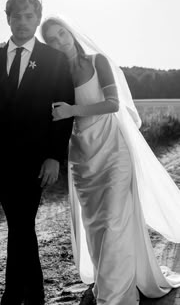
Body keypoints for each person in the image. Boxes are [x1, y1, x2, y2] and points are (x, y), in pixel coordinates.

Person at [41, 16, 180, 305]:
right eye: (51, 40)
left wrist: (72, 110)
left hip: (114, 150)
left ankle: (114, 297)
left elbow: (113, 104)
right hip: (82, 156)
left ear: (70, 32)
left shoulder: (97, 61)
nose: (59, 41)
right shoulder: (56, 76)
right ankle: (107, 281)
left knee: (115, 220)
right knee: (95, 226)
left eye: (61, 34)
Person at [0, 0, 74, 305]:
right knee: (20, 225)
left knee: (22, 222)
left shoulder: (54, 59)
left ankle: (17, 296)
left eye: (29, 16)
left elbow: (61, 109)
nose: (23, 22)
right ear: (8, 19)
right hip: (2, 159)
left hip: (38, 160)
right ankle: (29, 294)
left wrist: (55, 155)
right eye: (17, 16)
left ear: (37, 19)